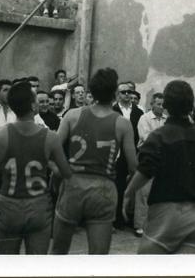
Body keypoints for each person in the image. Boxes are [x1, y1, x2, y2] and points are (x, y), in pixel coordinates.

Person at [122, 80, 195, 254]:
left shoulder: (159, 136)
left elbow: (145, 170)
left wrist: (128, 193)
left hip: (168, 211)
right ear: (191, 106)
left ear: (166, 106)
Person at [51, 68, 137, 254]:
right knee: (98, 257)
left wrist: (59, 174)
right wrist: (128, 193)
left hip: (74, 184)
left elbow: (53, 150)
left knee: (58, 252)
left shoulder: (72, 115)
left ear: (92, 91)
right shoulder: (123, 123)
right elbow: (133, 166)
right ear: (114, 94)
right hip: (104, 188)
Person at [0, 82, 72, 254]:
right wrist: (53, 179)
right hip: (38, 204)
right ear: (33, 105)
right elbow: (65, 173)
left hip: (9, 201)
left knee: (8, 263)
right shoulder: (50, 137)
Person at [133, 92, 166, 237]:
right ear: (152, 104)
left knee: (160, 190)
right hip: (148, 156)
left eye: (163, 104)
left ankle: (156, 225)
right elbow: (146, 138)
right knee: (143, 192)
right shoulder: (144, 118)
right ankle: (140, 225)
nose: (161, 107)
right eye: (158, 104)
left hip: (164, 157)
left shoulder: (167, 119)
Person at [112, 81, 144, 229]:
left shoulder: (138, 112)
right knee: (117, 186)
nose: (126, 94)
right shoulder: (112, 110)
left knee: (133, 185)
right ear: (117, 95)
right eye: (123, 92)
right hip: (117, 154)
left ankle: (130, 218)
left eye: (128, 92)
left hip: (133, 153)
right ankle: (116, 219)